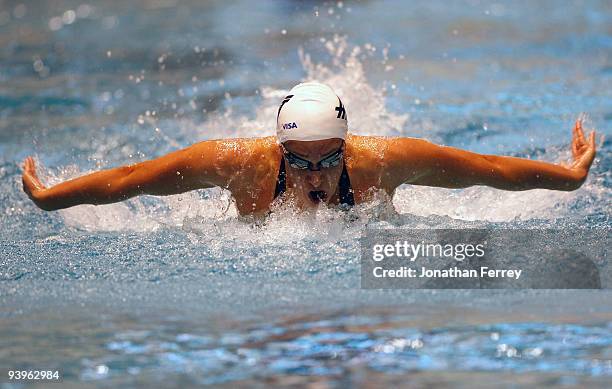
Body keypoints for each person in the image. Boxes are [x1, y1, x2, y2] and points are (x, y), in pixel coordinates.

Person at [22, 82, 597, 216]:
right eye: (300, 161)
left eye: (329, 159)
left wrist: (568, 176)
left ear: (348, 150)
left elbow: (485, 169)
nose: (316, 176)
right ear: (279, 152)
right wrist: (51, 198)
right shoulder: (237, 165)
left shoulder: (382, 161)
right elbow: (133, 177)